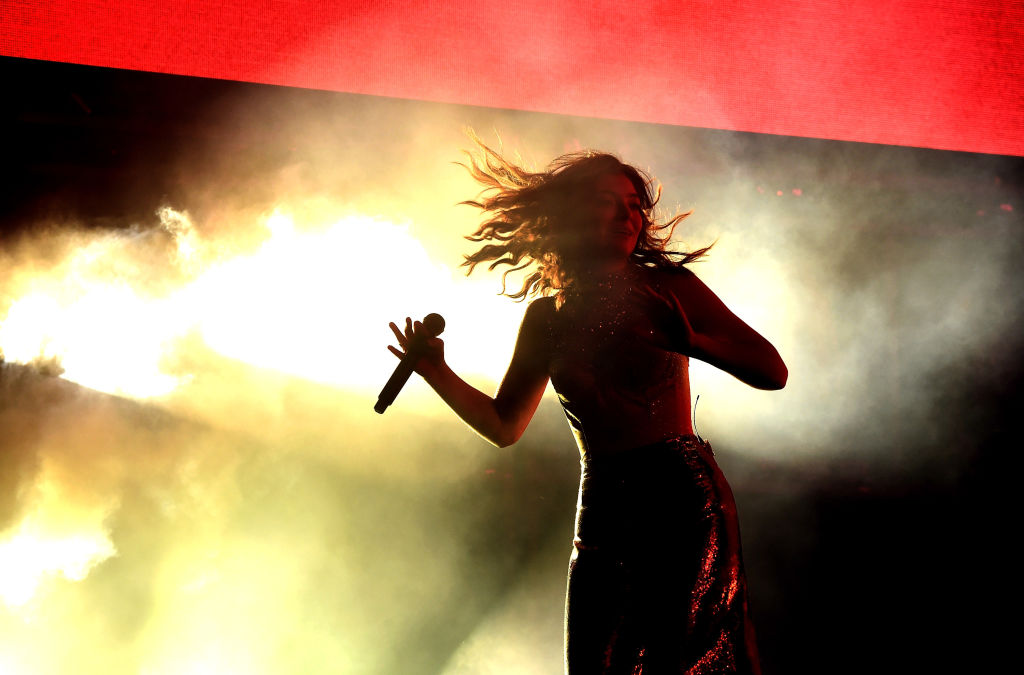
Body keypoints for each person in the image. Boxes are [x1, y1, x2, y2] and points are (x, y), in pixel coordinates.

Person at [387, 138, 787, 674]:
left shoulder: (669, 287)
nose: (628, 216)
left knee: (685, 659)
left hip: (680, 500)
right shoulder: (546, 318)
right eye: (608, 201)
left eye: (635, 206)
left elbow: (773, 371)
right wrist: (436, 372)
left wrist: (693, 342)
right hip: (602, 507)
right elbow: (505, 426)